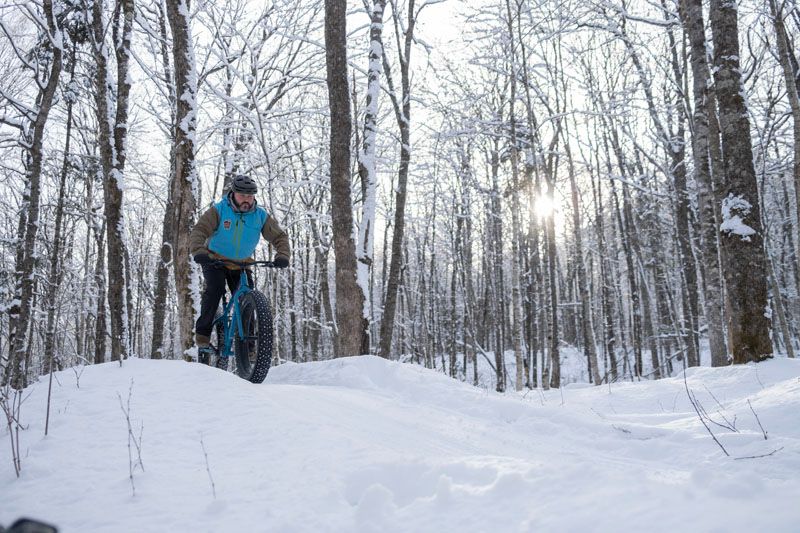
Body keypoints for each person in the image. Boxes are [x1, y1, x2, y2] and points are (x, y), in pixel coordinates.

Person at [189, 174, 290, 358]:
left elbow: (279, 237)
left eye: (250, 196)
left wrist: (282, 255)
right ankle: (202, 336)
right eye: (242, 195)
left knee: (247, 297)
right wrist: (199, 251)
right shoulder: (219, 211)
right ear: (233, 194)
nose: (246, 200)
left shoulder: (260, 216)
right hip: (215, 260)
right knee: (216, 289)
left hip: (242, 264)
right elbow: (200, 230)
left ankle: (249, 346)